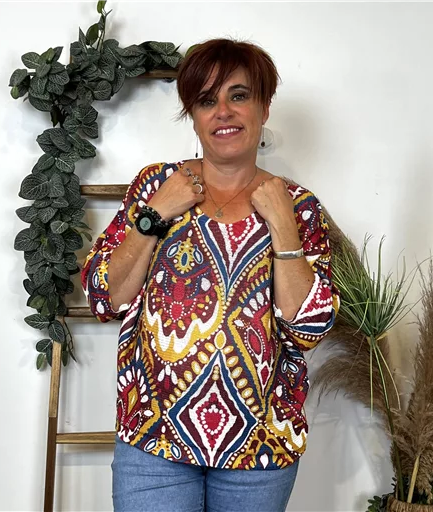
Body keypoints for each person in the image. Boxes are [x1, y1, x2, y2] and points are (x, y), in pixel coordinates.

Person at [82, 38, 340, 512]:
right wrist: (155, 214)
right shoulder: (156, 185)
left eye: (239, 95)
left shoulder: (298, 206)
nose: (223, 111)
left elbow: (308, 329)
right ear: (193, 116)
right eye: (206, 100)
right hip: (153, 439)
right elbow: (104, 297)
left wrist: (283, 226)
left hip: (261, 447)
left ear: (264, 107)